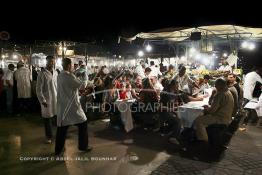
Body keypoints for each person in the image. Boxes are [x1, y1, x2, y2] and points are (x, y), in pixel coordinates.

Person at [55, 58, 92, 155]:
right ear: (68, 66)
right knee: (83, 122)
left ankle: (58, 149)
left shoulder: (60, 76)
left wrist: (76, 76)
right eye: (71, 65)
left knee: (62, 127)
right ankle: (83, 146)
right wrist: (85, 76)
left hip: (63, 106)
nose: (73, 66)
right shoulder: (69, 76)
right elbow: (82, 86)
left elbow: (73, 84)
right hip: (72, 106)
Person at [36, 56, 58, 144]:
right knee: (47, 119)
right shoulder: (42, 73)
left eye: (53, 62)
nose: (52, 63)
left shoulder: (56, 72)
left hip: (55, 98)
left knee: (56, 118)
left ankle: (55, 135)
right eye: (50, 62)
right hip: (47, 100)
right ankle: (48, 137)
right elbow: (38, 89)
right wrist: (42, 100)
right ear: (46, 62)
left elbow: (57, 86)